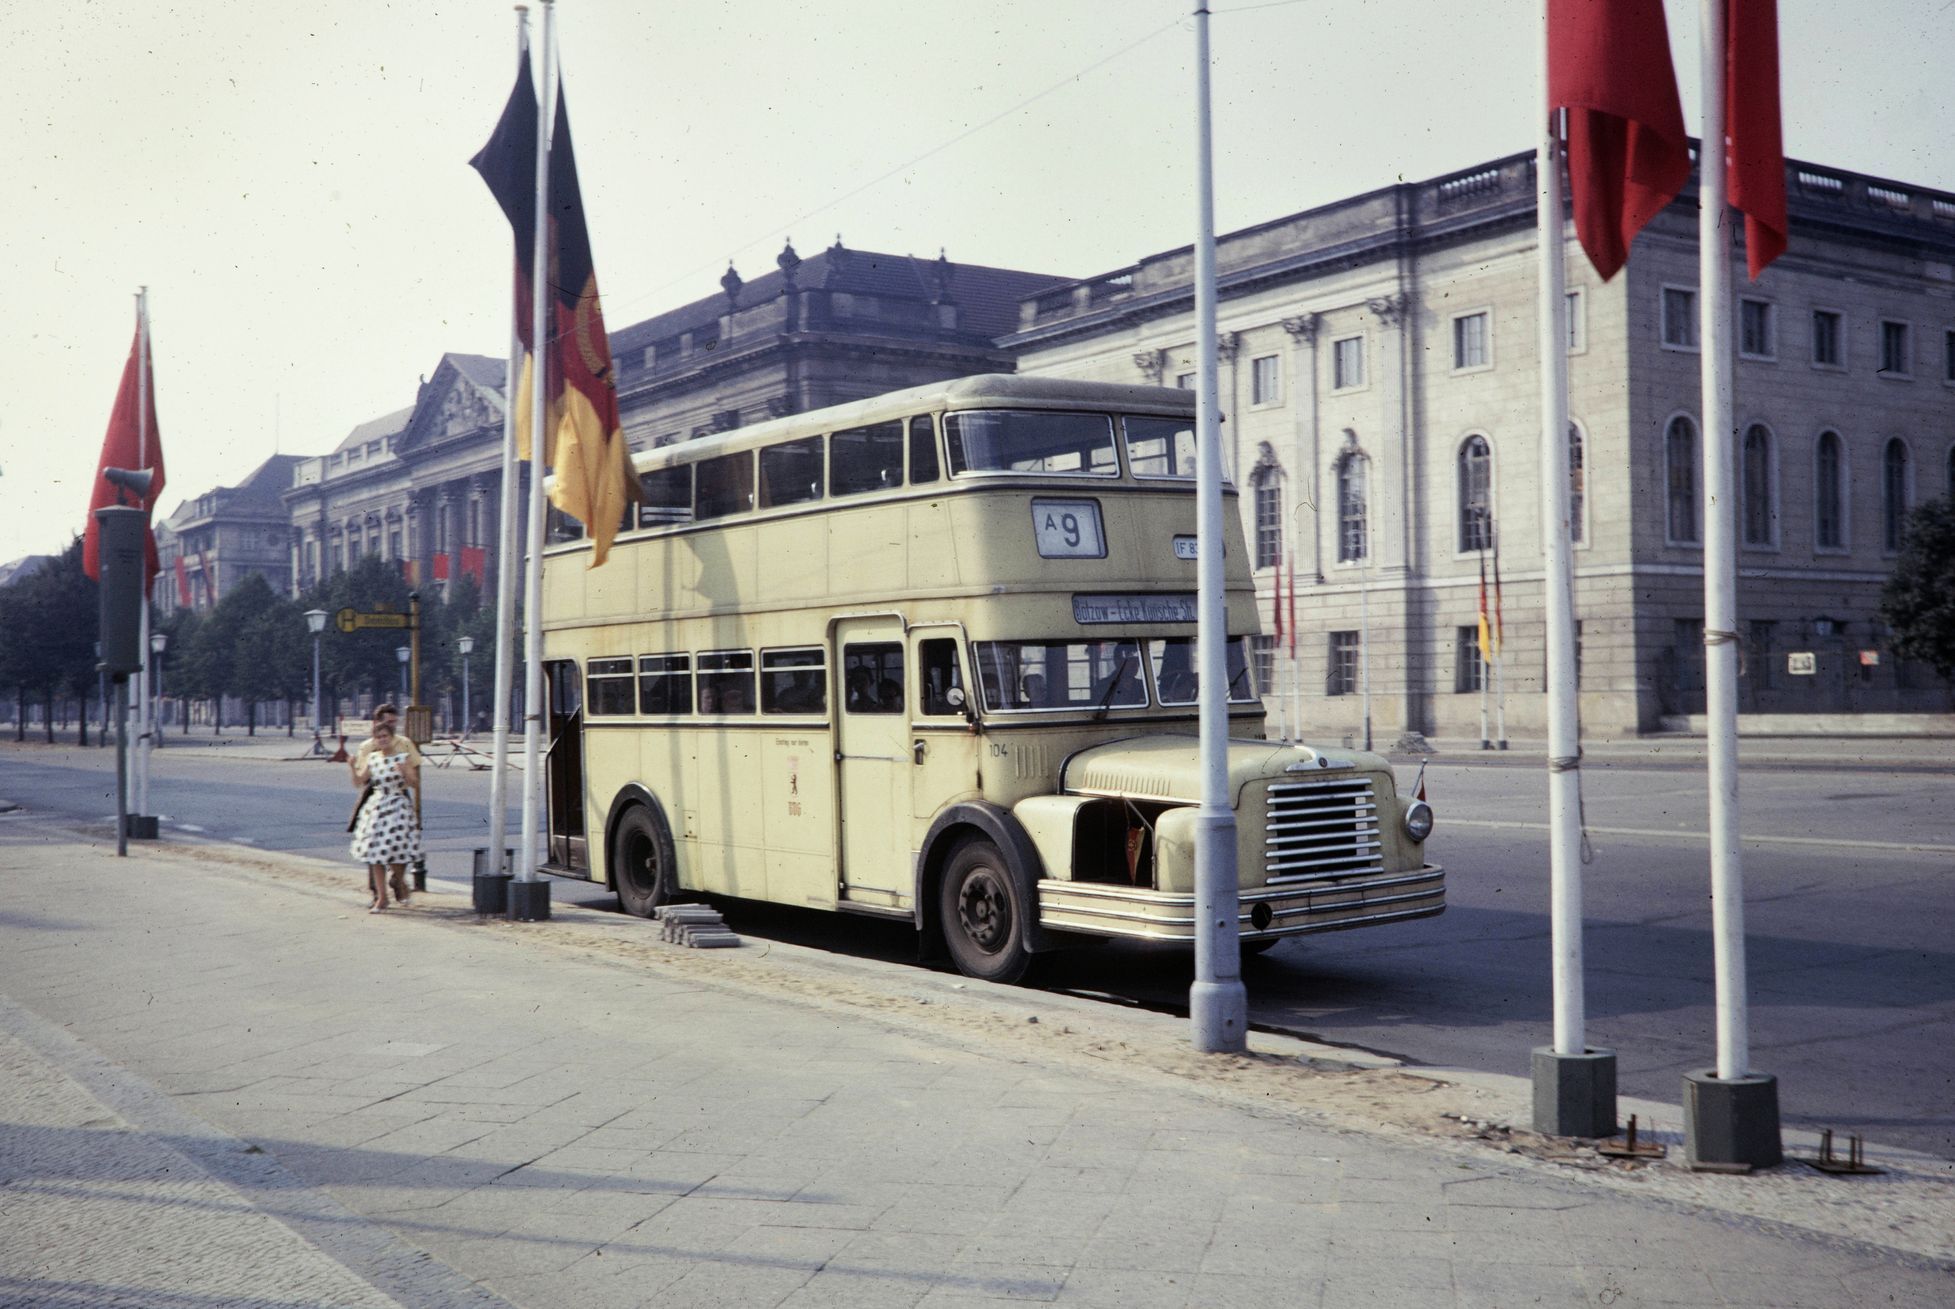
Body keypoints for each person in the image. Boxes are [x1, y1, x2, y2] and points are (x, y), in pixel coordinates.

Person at [349, 719, 421, 913]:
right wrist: (351, 766)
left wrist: (405, 772)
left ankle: (400, 881)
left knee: (395, 851)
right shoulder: (372, 758)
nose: (382, 740)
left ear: (392, 738)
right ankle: (382, 898)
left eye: (385, 736)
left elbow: (414, 783)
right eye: (378, 737)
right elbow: (359, 781)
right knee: (375, 852)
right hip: (377, 805)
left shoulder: (402, 757)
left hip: (397, 805)